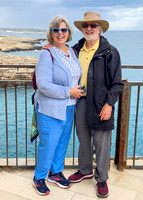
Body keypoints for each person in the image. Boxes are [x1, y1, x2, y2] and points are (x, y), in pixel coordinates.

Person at [68, 11, 123, 198]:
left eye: (93, 25)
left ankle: (101, 179)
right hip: (81, 102)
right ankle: (85, 170)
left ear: (99, 29)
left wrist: (109, 105)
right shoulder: (75, 50)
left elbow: (116, 83)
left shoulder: (110, 52)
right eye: (86, 26)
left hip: (101, 104)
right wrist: (48, 47)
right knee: (83, 140)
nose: (89, 29)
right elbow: (59, 56)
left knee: (101, 144)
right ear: (82, 29)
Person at [33, 15, 83, 196]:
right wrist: (68, 92)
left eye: (63, 30)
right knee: (48, 144)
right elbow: (43, 84)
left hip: (70, 107)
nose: (60, 33)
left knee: (62, 142)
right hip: (50, 109)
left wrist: (74, 95)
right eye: (56, 30)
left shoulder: (73, 52)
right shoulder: (47, 54)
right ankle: (39, 177)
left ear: (69, 32)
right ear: (51, 33)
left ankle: (55, 173)